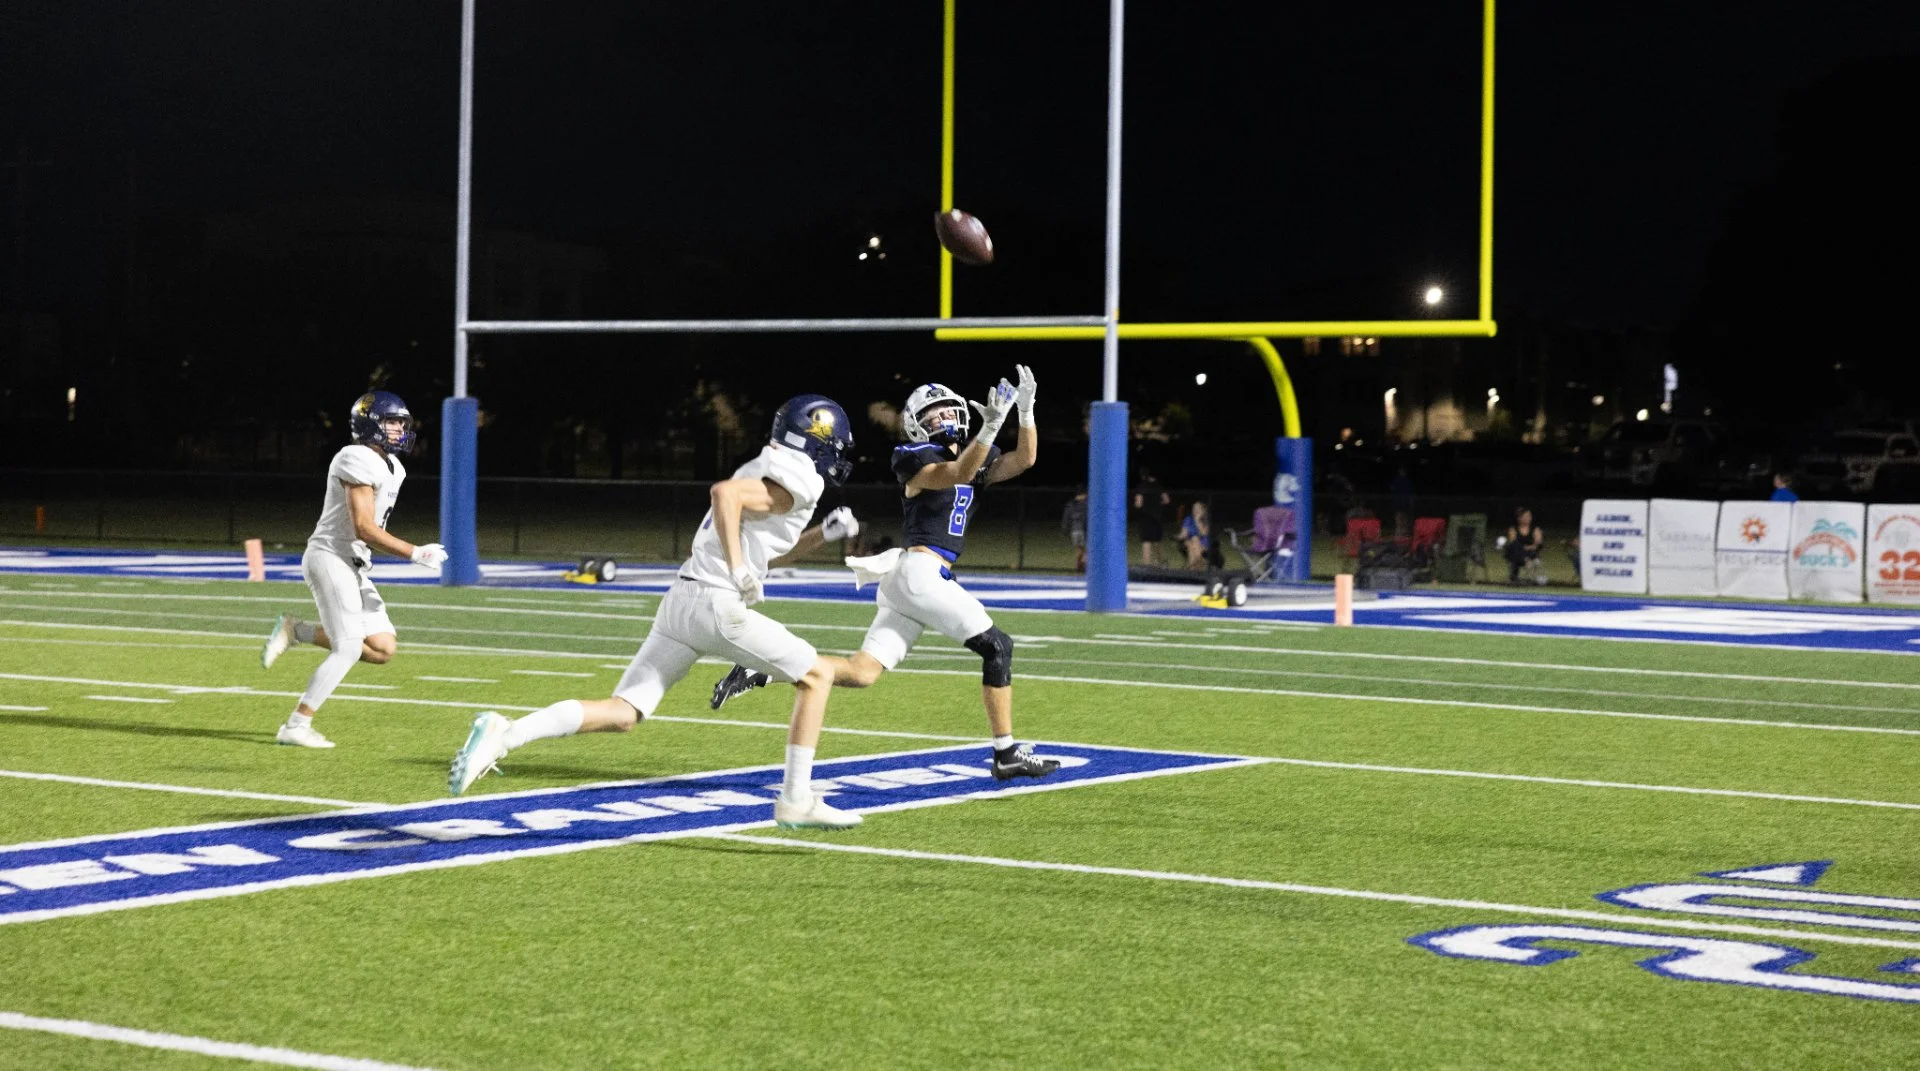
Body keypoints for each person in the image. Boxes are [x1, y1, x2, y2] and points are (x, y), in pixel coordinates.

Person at [445, 394, 867, 831]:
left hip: (684, 600)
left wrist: (821, 535)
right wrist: (738, 569)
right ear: (817, 440)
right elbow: (724, 495)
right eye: (836, 445)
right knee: (817, 675)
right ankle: (796, 800)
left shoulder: (768, 468)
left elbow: (764, 555)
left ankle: (506, 733)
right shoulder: (799, 476)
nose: (838, 456)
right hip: (715, 602)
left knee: (624, 711)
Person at [709, 369, 1061, 783]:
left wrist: (1025, 411)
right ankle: (1005, 753)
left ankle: (764, 668)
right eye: (933, 415)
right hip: (920, 574)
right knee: (998, 646)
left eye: (947, 410)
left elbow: (1024, 459)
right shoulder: (914, 457)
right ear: (916, 425)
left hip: (911, 580)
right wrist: (989, 429)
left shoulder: (974, 456)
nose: (943, 419)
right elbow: (958, 473)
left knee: (861, 673)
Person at [260, 391, 446, 749]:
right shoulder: (355, 457)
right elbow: (363, 527)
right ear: (369, 424)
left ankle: (296, 630)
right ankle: (296, 725)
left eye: (401, 423)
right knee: (347, 648)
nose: (399, 429)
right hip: (330, 557)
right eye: (391, 422)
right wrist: (414, 552)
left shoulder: (395, 467)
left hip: (354, 564)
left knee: (382, 649)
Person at [1499, 506, 1546, 585]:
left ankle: (1515, 576)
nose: (1529, 518)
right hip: (1518, 553)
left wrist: (1525, 548)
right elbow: (1513, 543)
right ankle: (1524, 560)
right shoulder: (1513, 529)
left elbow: (1538, 544)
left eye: (1529, 516)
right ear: (1519, 518)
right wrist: (1523, 549)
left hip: (1530, 553)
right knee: (1514, 546)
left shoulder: (1535, 529)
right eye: (1526, 516)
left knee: (1515, 552)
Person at [1133, 468, 1171, 565]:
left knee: (1146, 541)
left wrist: (1136, 503)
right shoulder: (1158, 485)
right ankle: (1161, 562)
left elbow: (1139, 504)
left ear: (1142, 476)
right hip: (1157, 516)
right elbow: (1167, 500)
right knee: (1157, 541)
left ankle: (1147, 566)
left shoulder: (1142, 486)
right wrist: (1158, 504)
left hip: (1146, 516)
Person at [1180, 501, 1223, 570]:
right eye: (1194, 508)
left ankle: (1192, 568)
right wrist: (1181, 536)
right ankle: (1198, 566)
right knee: (1193, 540)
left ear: (1203, 510)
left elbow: (1204, 533)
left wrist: (1197, 521)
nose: (1195, 510)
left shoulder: (1206, 519)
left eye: (1197, 508)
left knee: (1193, 545)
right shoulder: (1188, 519)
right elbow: (1184, 533)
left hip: (1204, 542)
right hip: (1189, 541)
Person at [1061, 486, 1089, 573]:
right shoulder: (1087, 505)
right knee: (1089, 551)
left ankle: (1079, 566)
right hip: (1083, 531)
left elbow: (1066, 519)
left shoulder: (1070, 504)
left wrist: (1065, 530)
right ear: (1083, 494)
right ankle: (1083, 565)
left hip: (1074, 531)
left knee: (1080, 550)